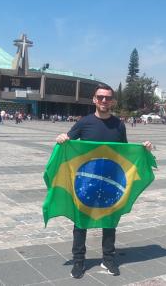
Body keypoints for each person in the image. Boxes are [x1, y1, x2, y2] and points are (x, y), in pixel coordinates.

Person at [55, 84, 152, 279]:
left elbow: (125, 153)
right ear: (94, 100)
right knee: (80, 222)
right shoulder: (84, 123)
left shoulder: (119, 125)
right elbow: (68, 142)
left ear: (113, 101)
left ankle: (108, 260)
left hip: (111, 181)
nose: (104, 101)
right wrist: (62, 138)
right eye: (100, 97)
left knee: (110, 222)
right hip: (85, 181)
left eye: (108, 98)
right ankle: (79, 262)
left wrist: (144, 149)